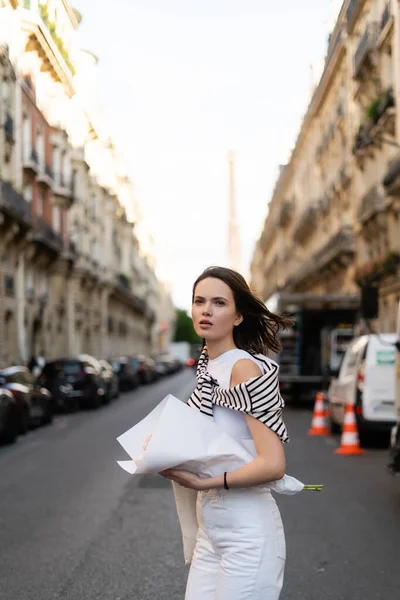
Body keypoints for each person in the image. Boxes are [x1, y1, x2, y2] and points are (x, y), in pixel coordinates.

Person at [161, 266, 294, 600]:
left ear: (237, 316)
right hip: (211, 531)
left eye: (219, 302)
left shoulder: (242, 367)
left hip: (248, 533)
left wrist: (205, 481)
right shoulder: (208, 367)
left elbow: (273, 463)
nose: (206, 310)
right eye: (199, 301)